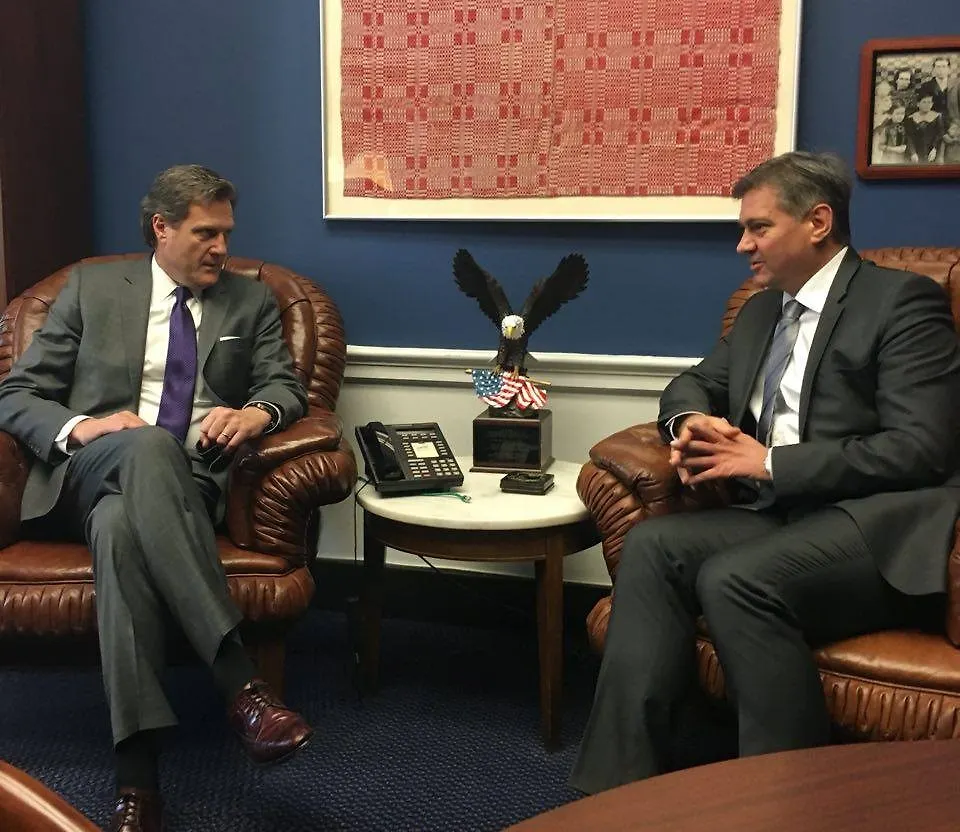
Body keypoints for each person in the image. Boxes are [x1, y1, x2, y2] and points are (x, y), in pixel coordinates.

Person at [569, 151, 960, 795]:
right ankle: (618, 789)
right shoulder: (760, 311)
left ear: (818, 222)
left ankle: (780, 800)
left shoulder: (901, 302)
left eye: (758, 227)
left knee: (736, 579)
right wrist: (689, 421)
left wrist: (772, 461)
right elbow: (694, 382)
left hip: (877, 526)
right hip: (779, 518)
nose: (742, 243)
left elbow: (924, 447)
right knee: (653, 544)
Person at [0, 165, 313, 832]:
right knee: (142, 447)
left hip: (185, 484)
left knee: (120, 529)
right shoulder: (91, 288)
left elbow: (285, 388)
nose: (222, 249)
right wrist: (84, 426)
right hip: (88, 470)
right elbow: (16, 394)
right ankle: (242, 687)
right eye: (206, 233)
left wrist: (257, 413)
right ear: (161, 228)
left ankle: (137, 781)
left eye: (227, 234)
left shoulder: (250, 303)